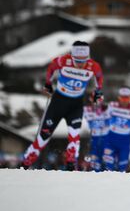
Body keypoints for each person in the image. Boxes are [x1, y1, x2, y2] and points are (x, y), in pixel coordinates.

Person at [21, 41, 104, 171]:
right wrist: (48, 83)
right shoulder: (63, 61)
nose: (80, 64)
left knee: (74, 136)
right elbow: (51, 68)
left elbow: (99, 77)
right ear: (72, 56)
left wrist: (98, 91)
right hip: (58, 103)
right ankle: (25, 164)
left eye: (83, 61)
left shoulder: (93, 66)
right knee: (43, 138)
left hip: (76, 105)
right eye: (77, 61)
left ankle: (71, 165)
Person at [83, 99, 109, 171]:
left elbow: (110, 121)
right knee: (95, 155)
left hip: (104, 136)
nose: (97, 104)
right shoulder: (87, 110)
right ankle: (94, 169)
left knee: (105, 155)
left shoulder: (105, 109)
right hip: (94, 137)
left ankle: (105, 169)